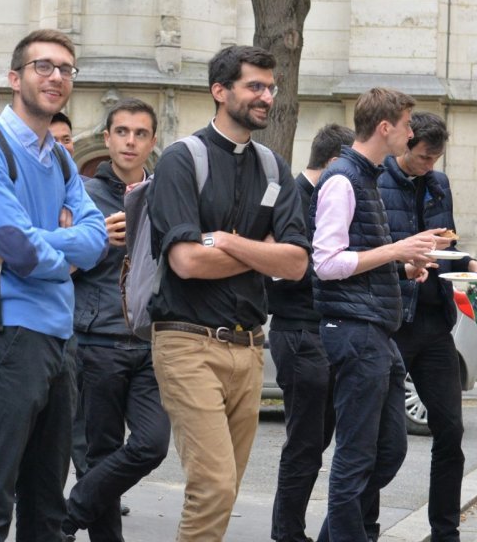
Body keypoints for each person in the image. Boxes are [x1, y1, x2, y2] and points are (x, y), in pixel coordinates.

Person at [147, 45, 311, 541]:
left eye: (270, 87)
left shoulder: (276, 168)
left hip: (250, 349)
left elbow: (298, 263)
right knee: (214, 484)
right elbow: (187, 261)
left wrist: (230, 241)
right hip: (186, 342)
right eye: (254, 86)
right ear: (220, 92)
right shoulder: (181, 160)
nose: (267, 96)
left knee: (226, 488)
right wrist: (263, 249)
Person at [0, 30, 107, 541]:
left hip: (60, 339)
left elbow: (96, 239)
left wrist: (44, 243)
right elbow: (18, 249)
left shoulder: (60, 156)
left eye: (66, 68)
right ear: (14, 79)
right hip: (7, 336)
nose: (56, 76)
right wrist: (62, 252)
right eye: (43, 66)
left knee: (46, 506)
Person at [309, 87, 449, 542]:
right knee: (356, 455)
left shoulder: (364, 178)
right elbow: (326, 263)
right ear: (386, 127)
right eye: (408, 125)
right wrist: (396, 250)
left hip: (376, 332)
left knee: (389, 449)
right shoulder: (343, 180)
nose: (411, 133)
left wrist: (405, 267)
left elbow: (361, 256)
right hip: (354, 332)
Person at [373, 112, 477, 542]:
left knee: (450, 430)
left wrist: (469, 263)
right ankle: (363, 528)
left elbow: (447, 245)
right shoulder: (376, 179)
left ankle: (444, 532)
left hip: (434, 322)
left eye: (436, 158)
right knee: (378, 438)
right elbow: (371, 253)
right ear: (405, 144)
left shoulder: (439, 184)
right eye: (423, 157)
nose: (429, 165)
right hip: (393, 321)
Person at [63, 98, 169, 542]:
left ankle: (69, 513)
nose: (130, 141)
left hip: (149, 340)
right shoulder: (82, 195)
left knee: (151, 444)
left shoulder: (165, 193)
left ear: (151, 142)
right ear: (107, 139)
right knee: (100, 452)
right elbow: (59, 263)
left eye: (140, 134)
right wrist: (95, 240)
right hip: (97, 338)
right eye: (122, 132)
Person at [268, 122, 353, 542]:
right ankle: (288, 533)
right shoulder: (291, 199)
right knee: (304, 443)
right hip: (298, 331)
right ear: (335, 162)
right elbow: (285, 272)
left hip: (322, 331)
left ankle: (289, 530)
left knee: (315, 442)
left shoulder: (324, 197)